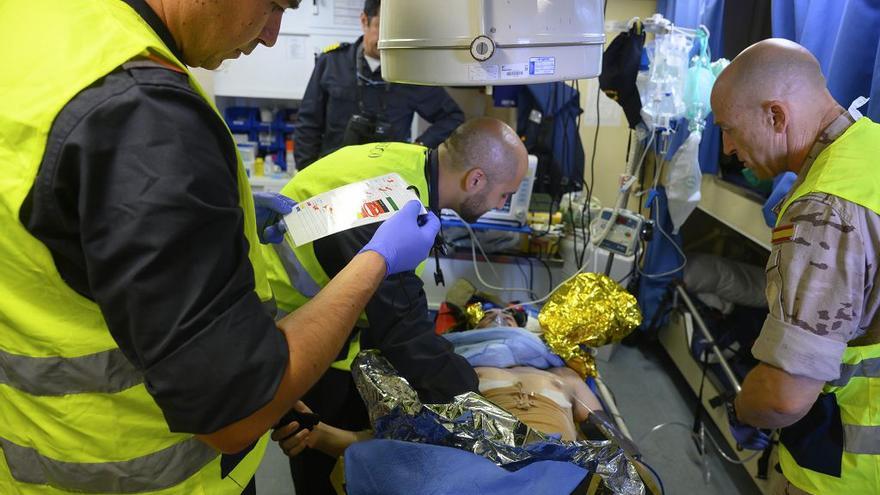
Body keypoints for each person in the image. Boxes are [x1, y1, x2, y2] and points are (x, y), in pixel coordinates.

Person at [0, 1, 441, 493]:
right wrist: (378, 259)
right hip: (144, 475)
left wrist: (210, 209)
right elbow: (235, 411)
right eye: (275, 5)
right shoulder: (141, 109)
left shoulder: (32, 29)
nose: (272, 35)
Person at [259, 117, 529, 493]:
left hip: (329, 319)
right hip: (292, 333)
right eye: (506, 194)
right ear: (476, 180)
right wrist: (475, 402)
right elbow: (404, 329)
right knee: (320, 465)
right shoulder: (391, 202)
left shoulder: (411, 163)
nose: (504, 203)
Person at [711, 38, 880, 494]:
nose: (726, 147)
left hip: (850, 467)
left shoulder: (826, 209)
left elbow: (785, 397)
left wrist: (744, 406)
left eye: (729, 128)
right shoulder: (871, 151)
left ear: (776, 116)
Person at [293, 0, 465, 169]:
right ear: (364, 21)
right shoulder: (332, 62)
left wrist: (418, 147)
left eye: (397, 29)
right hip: (334, 175)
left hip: (387, 180)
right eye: (383, 26)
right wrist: (308, 171)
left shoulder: (410, 72)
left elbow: (453, 117)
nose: (389, 37)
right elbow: (308, 124)